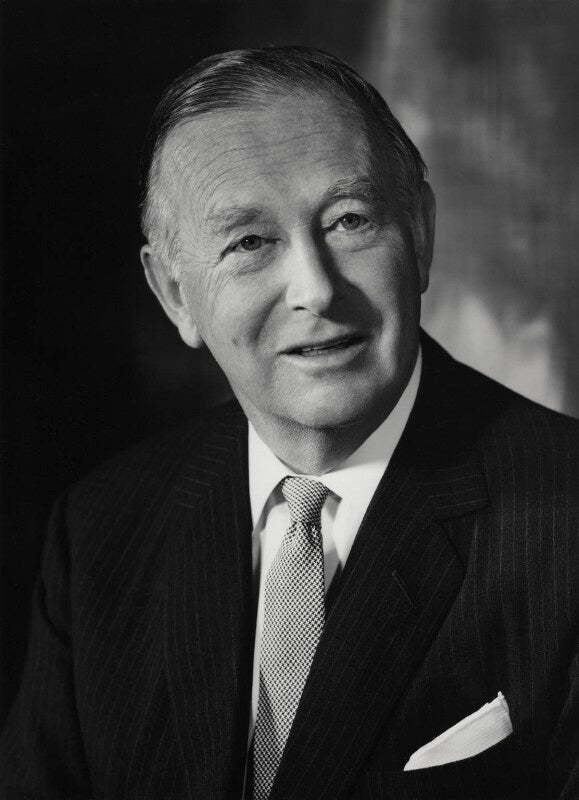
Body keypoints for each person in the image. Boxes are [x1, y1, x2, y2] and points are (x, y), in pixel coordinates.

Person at [1, 46, 577, 800]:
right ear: (174, 295)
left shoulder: (565, 519)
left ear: (421, 234)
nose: (315, 289)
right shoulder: (100, 531)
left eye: (349, 221)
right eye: (249, 242)